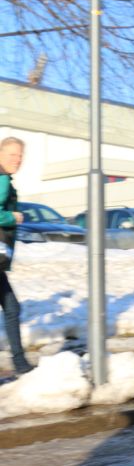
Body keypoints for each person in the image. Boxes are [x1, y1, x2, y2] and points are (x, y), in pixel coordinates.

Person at [0, 137, 33, 377]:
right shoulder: (1, 180)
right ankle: (20, 364)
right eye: (13, 154)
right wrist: (14, 217)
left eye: (20, 155)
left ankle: (20, 364)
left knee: (12, 307)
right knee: (12, 308)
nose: (18, 159)